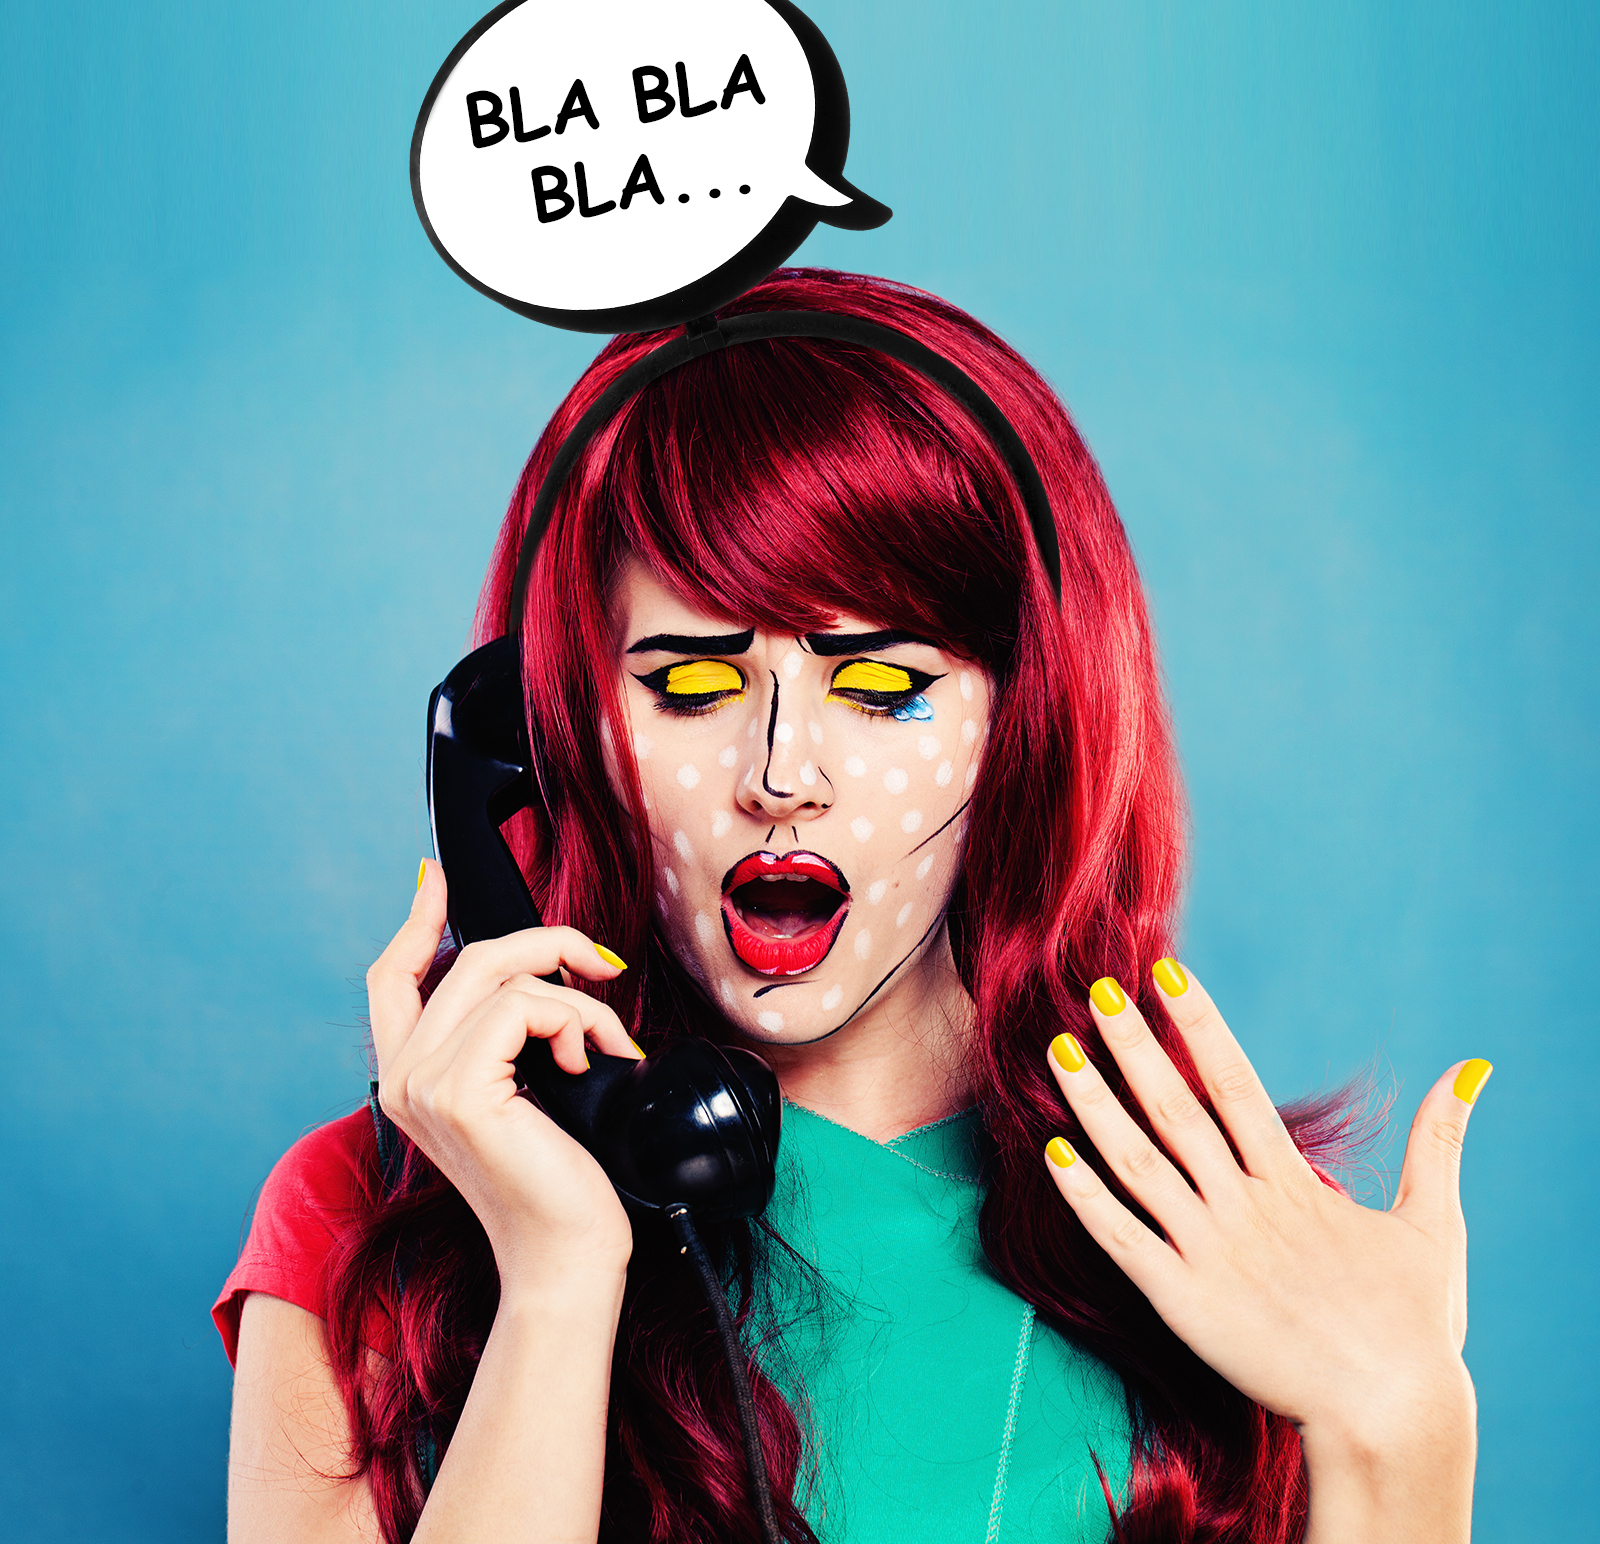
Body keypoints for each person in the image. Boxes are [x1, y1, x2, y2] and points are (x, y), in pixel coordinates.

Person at [216, 268, 1485, 1544]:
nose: (781, 776)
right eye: (691, 685)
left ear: (1026, 720)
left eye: (880, 684)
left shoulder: (1250, 1242)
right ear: (556, 732)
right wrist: (555, 1277)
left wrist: (1405, 1432)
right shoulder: (363, 1215)